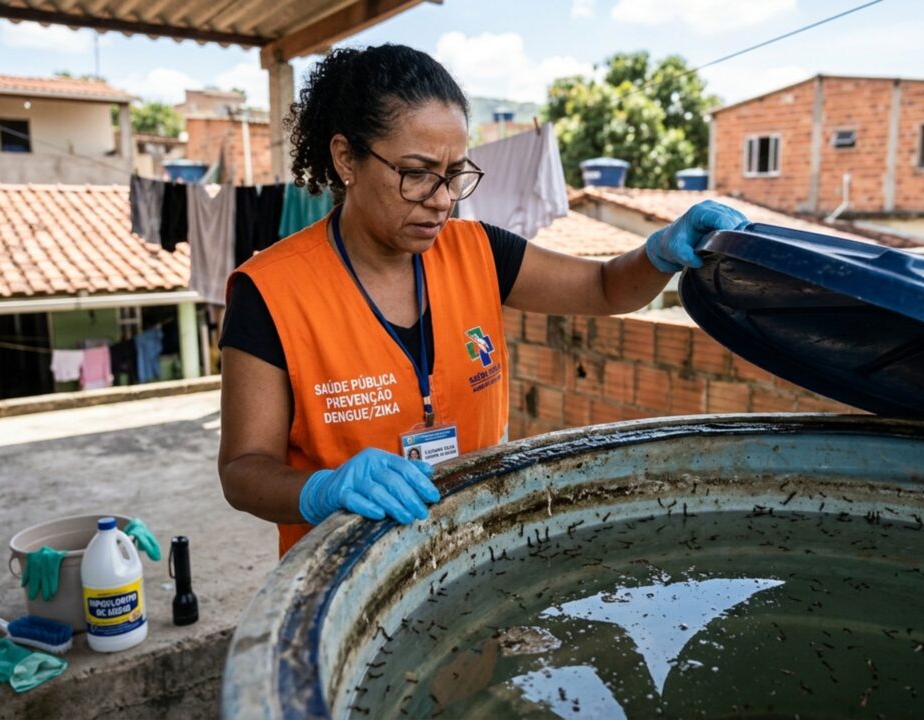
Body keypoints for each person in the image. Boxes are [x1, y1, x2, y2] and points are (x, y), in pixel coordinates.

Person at [217, 44, 748, 556]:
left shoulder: (479, 253)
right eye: (417, 173)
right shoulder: (271, 293)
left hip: (472, 553)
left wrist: (657, 253)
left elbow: (604, 287)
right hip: (343, 574)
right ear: (345, 158)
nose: (443, 200)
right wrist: (321, 490)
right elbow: (244, 469)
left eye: (454, 175)